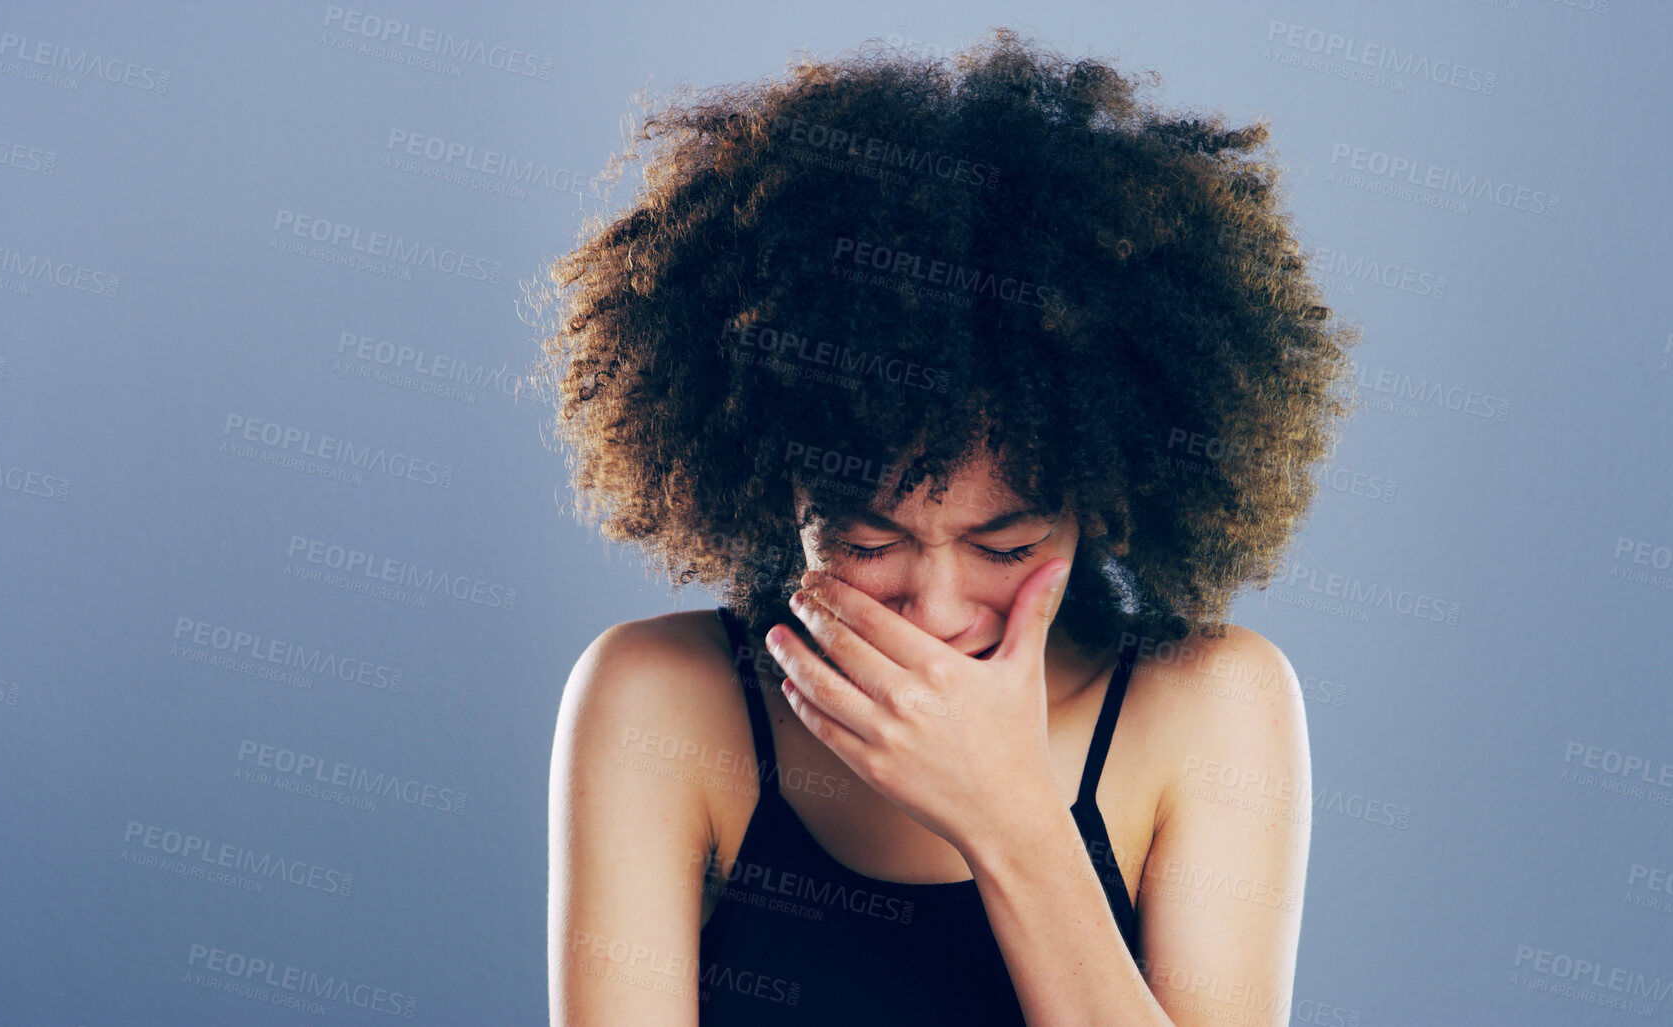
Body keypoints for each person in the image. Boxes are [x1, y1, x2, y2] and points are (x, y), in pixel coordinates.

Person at [536, 26, 1359, 1026]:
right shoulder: (660, 702)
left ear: (1098, 503)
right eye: (867, 543)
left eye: (1005, 547)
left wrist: (1009, 818)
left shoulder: (1212, 707)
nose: (935, 608)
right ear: (776, 498)